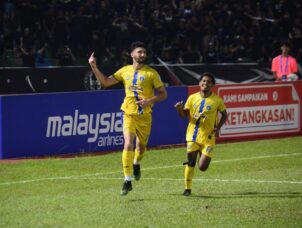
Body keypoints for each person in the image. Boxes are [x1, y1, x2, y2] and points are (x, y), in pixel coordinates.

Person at [88, 41, 168, 195]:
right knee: (128, 144)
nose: (142, 55)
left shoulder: (151, 73)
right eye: (139, 52)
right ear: (132, 54)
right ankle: (127, 180)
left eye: (144, 52)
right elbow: (105, 82)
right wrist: (93, 66)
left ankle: (137, 163)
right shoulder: (124, 71)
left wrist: (149, 101)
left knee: (141, 148)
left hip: (145, 116)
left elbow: (163, 94)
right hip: (128, 113)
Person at [174, 72, 227, 196]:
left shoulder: (217, 100)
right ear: (199, 83)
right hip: (192, 136)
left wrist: (218, 128)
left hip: (208, 137)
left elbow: (224, 114)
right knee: (191, 162)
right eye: (203, 81)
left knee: (202, 167)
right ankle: (187, 189)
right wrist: (179, 109)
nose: (205, 83)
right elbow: (183, 115)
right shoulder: (192, 98)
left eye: (208, 82)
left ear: (212, 85)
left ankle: (201, 155)